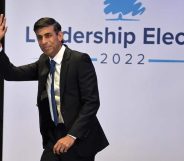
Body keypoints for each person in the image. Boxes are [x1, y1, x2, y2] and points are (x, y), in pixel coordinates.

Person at [0, 14, 109, 161]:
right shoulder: (44, 61)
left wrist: (71, 136)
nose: (43, 41)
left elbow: (91, 102)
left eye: (48, 35)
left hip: (79, 138)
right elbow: (11, 74)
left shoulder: (79, 60)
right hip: (53, 136)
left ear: (60, 36)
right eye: (39, 37)